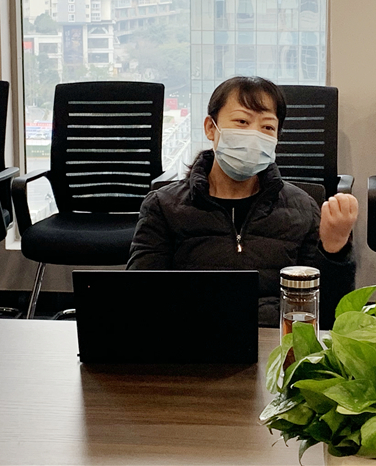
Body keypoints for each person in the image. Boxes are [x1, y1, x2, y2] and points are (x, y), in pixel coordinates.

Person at [127, 76, 358, 328]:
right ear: (211, 128)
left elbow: (327, 313)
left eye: (267, 127)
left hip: (274, 338)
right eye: (242, 122)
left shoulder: (303, 208)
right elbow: (140, 299)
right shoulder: (163, 207)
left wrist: (334, 250)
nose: (254, 135)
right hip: (192, 335)